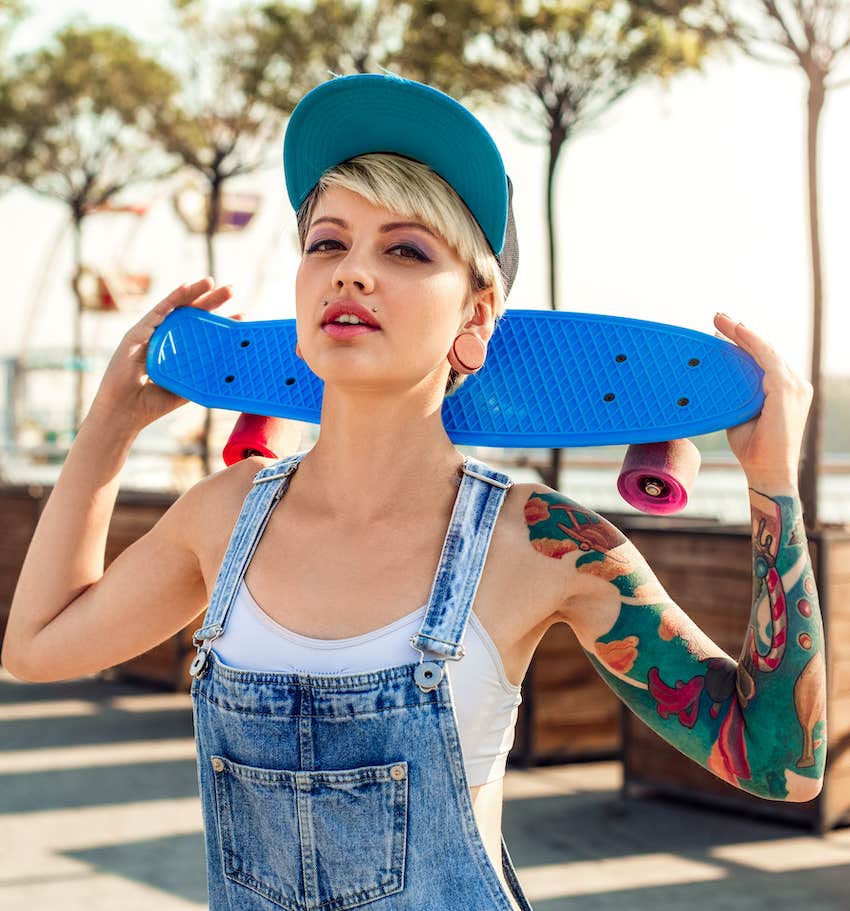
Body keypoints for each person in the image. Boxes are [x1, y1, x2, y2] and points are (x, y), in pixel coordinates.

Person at [2, 73, 826, 911]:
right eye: (328, 243)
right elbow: (35, 646)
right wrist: (110, 422)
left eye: (405, 250)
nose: (352, 271)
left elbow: (780, 761)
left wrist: (771, 487)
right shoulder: (225, 515)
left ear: (475, 317)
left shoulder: (543, 543)